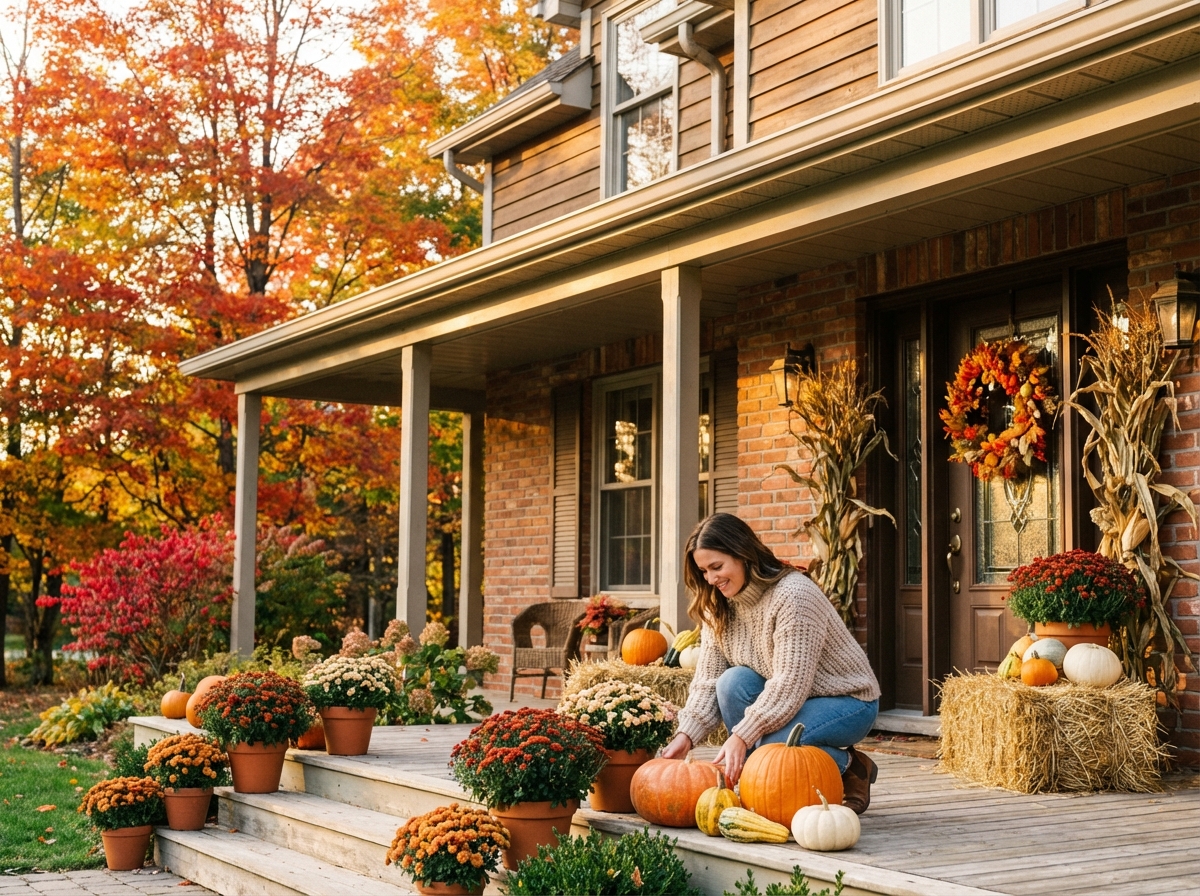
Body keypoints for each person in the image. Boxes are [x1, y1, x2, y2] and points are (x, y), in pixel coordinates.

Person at [661, 513, 882, 814]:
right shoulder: (719, 606)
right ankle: (765, 786)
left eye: (717, 567)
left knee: (769, 748)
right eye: (704, 571)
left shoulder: (793, 595)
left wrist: (742, 735)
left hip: (847, 701)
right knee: (731, 681)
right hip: (793, 700)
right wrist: (686, 736)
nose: (711, 579)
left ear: (743, 554)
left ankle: (852, 768)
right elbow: (708, 681)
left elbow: (789, 684)